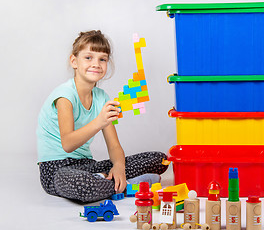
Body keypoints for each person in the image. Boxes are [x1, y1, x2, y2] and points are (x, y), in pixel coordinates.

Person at [37, 30, 168, 203]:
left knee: (160, 159)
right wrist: (99, 121)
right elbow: (67, 144)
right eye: (88, 57)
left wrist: (119, 167)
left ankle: (108, 179)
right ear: (74, 61)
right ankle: (129, 185)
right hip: (57, 170)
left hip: (87, 165)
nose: (96, 64)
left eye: (102, 59)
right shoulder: (65, 97)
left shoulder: (101, 98)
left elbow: (114, 146)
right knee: (84, 186)